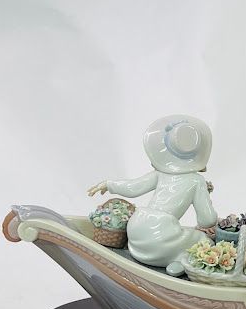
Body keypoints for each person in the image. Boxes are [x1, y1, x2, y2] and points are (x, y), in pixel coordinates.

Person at [88, 115, 217, 276]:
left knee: (179, 232)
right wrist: (208, 203)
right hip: (160, 235)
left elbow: (133, 187)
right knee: (203, 240)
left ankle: (168, 257)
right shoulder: (197, 180)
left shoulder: (160, 174)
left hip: (137, 228)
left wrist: (109, 184)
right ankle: (180, 261)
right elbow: (207, 220)